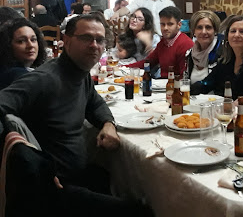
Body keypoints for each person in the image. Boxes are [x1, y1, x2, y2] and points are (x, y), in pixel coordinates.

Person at [0, 14, 147, 215]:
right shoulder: (44, 79)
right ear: (67, 41)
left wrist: (108, 123)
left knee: (132, 185)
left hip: (78, 174)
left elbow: (95, 102)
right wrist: (33, 163)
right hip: (55, 188)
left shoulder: (80, 72)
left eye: (100, 40)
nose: (94, 45)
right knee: (141, 211)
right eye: (86, 38)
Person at [127, 6, 194, 77]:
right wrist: (122, 67)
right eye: (162, 24)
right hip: (162, 84)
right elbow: (148, 62)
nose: (165, 28)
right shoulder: (163, 42)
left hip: (174, 85)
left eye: (170, 24)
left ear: (179, 25)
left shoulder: (185, 44)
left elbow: (184, 76)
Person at [0, 18, 47, 89]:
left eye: (33, 40)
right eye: (21, 41)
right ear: (7, 45)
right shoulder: (17, 74)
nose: (30, 45)